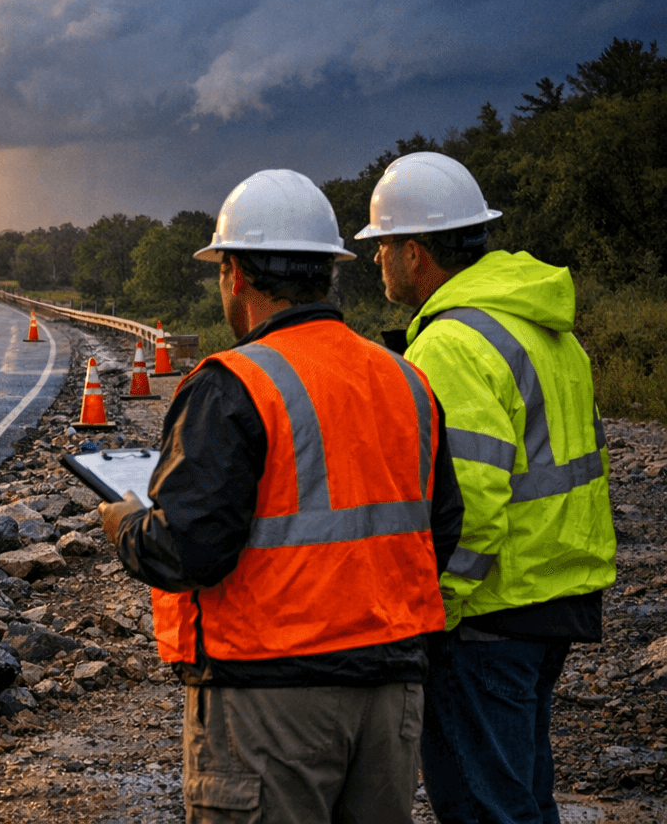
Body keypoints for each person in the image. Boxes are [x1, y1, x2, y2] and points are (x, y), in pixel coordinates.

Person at [99, 168, 463, 823]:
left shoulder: (232, 384)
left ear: (235, 274)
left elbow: (191, 550)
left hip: (269, 696)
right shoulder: (404, 378)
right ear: (327, 272)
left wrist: (126, 525)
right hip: (391, 691)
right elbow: (441, 530)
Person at [356, 151, 615, 824]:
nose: (376, 258)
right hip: (555, 595)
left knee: (485, 808)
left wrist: (433, 612)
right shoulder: (541, 325)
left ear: (415, 253)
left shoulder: (451, 344)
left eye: (382, 244)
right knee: (523, 797)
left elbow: (471, 506)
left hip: (489, 612)